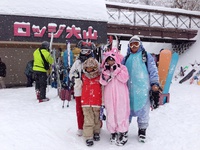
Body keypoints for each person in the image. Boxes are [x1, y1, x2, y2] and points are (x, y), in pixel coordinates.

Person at [123, 35, 160, 143]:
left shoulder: (146, 56)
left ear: (140, 45)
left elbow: (153, 70)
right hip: (129, 89)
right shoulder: (126, 58)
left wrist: (154, 83)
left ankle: (142, 130)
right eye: (131, 44)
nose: (134, 46)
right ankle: (124, 129)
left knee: (143, 110)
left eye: (136, 44)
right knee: (126, 110)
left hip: (143, 89)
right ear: (129, 46)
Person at [99, 51, 130, 146]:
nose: (111, 61)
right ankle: (113, 132)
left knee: (121, 112)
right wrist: (108, 72)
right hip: (109, 95)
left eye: (112, 59)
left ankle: (123, 132)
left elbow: (124, 78)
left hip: (121, 94)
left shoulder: (122, 68)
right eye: (108, 60)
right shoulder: (104, 70)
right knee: (111, 112)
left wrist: (117, 71)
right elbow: (103, 82)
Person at [69, 40, 96, 136]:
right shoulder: (77, 62)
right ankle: (81, 127)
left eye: (87, 51)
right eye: (83, 50)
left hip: (91, 90)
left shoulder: (94, 61)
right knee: (79, 109)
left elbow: (99, 72)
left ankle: (93, 127)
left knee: (92, 110)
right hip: (79, 89)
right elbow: (71, 73)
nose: (85, 53)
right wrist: (75, 77)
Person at [81, 57, 102, 146]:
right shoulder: (83, 77)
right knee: (88, 120)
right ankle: (88, 136)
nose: (89, 70)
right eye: (87, 68)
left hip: (97, 101)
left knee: (97, 119)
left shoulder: (99, 77)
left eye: (91, 68)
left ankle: (96, 131)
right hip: (86, 102)